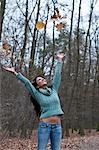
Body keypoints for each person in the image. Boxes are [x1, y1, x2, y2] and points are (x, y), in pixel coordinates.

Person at [3, 52, 65, 150]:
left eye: (42, 78)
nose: (42, 79)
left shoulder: (54, 90)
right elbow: (27, 83)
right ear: (37, 85)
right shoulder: (37, 94)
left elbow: (57, 75)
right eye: (39, 80)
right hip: (45, 126)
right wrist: (15, 73)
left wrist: (59, 60)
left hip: (57, 126)